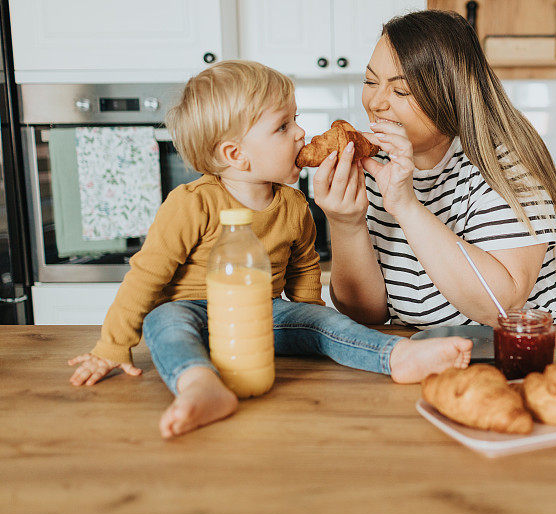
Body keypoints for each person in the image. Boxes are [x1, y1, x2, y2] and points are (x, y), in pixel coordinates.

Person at [67, 60, 472, 439]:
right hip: (193, 312)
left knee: (325, 321)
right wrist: (112, 345)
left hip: (263, 316)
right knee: (162, 320)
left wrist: (309, 316)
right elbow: (146, 276)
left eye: (295, 119)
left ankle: (397, 355)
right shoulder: (193, 203)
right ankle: (200, 385)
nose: (300, 133)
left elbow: (304, 268)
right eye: (282, 126)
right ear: (235, 155)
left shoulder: (295, 204)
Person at [313, 10, 556, 329]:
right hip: (439, 352)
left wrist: (406, 206)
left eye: (401, 90)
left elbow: (500, 307)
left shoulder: (506, 165)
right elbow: (366, 314)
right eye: (370, 81)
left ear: (450, 94)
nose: (375, 102)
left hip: (548, 348)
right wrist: (345, 223)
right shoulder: (378, 167)